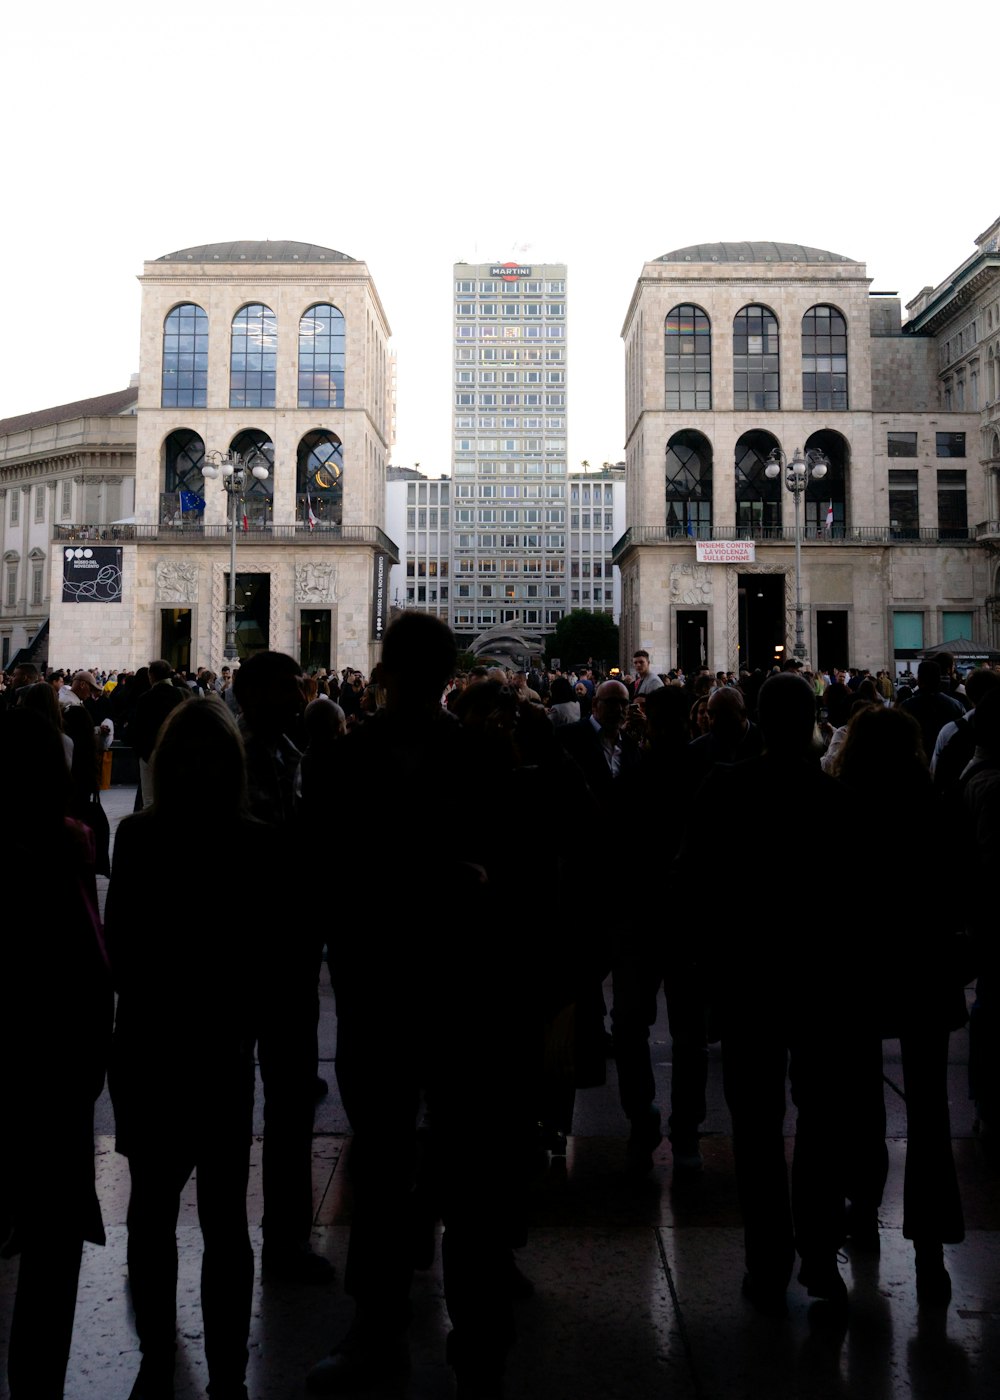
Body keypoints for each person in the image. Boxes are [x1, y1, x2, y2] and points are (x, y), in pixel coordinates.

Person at [106, 701, 269, 1400]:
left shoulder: (139, 837)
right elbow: (270, 956)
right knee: (215, 1218)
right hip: (216, 1048)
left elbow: (121, 951)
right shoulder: (254, 842)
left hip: (156, 1044)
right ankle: (224, 1371)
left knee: (161, 1214)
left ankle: (163, 1361)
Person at [1, 709, 113, 1400]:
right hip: (50, 1086)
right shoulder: (59, 854)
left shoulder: (63, 850)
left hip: (49, 1083)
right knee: (50, 1256)